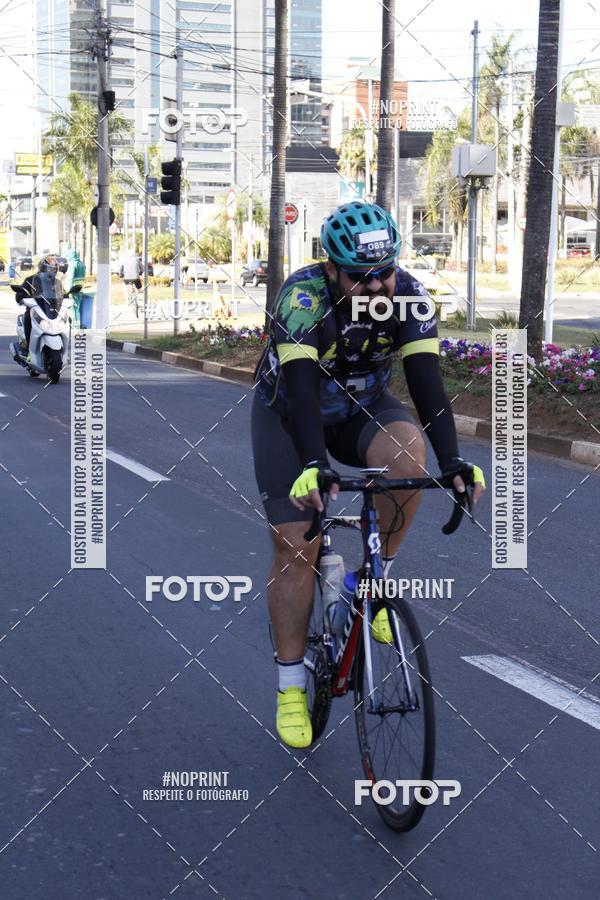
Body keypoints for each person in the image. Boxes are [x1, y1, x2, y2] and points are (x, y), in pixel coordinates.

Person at [251, 200, 486, 749]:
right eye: (362, 276)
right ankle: (290, 685)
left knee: (410, 461)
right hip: (290, 417)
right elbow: (303, 392)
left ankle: (368, 584)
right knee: (294, 547)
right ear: (331, 268)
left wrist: (452, 461)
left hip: (362, 409)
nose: (378, 286)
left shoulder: (406, 294)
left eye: (386, 271)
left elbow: (427, 387)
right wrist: (314, 466)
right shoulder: (303, 298)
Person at [16, 255, 64, 354]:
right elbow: (21, 291)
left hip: (53, 310)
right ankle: (29, 350)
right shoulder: (31, 279)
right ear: (43, 267)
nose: (51, 271)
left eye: (54, 269)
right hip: (36, 309)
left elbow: (63, 293)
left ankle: (64, 349)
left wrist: (67, 297)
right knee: (28, 318)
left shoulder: (57, 282)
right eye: (49, 268)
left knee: (67, 320)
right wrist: (22, 297)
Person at [64, 248, 86, 327]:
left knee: (72, 309)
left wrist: (68, 291)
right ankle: (78, 325)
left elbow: (70, 278)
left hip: (73, 290)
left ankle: (74, 326)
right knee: (77, 308)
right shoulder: (82, 264)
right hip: (80, 289)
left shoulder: (73, 265)